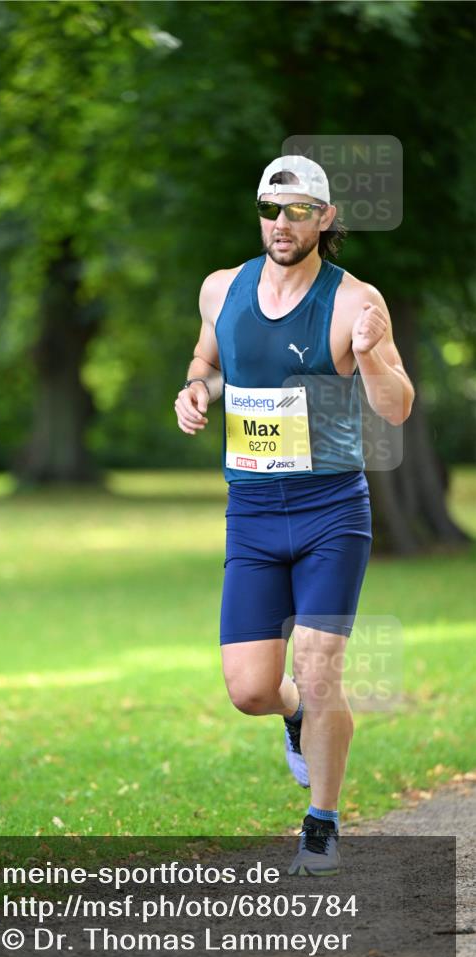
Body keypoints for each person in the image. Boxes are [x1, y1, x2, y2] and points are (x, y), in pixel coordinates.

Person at [174, 155, 414, 875]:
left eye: (299, 210)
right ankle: (293, 718)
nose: (282, 224)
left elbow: (395, 407)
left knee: (317, 669)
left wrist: (371, 357)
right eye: (270, 209)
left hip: (329, 511)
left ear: (325, 218)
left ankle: (321, 820)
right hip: (249, 513)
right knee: (250, 689)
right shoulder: (221, 289)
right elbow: (208, 359)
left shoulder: (352, 302)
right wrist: (195, 389)